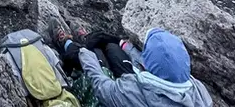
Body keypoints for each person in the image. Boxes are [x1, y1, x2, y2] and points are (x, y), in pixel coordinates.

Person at [77, 28, 213, 107]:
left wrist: (84, 51)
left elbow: (101, 86)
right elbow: (156, 63)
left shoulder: (133, 92)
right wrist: (120, 42)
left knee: (98, 57)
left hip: (123, 96)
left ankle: (76, 41)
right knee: (113, 48)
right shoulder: (199, 90)